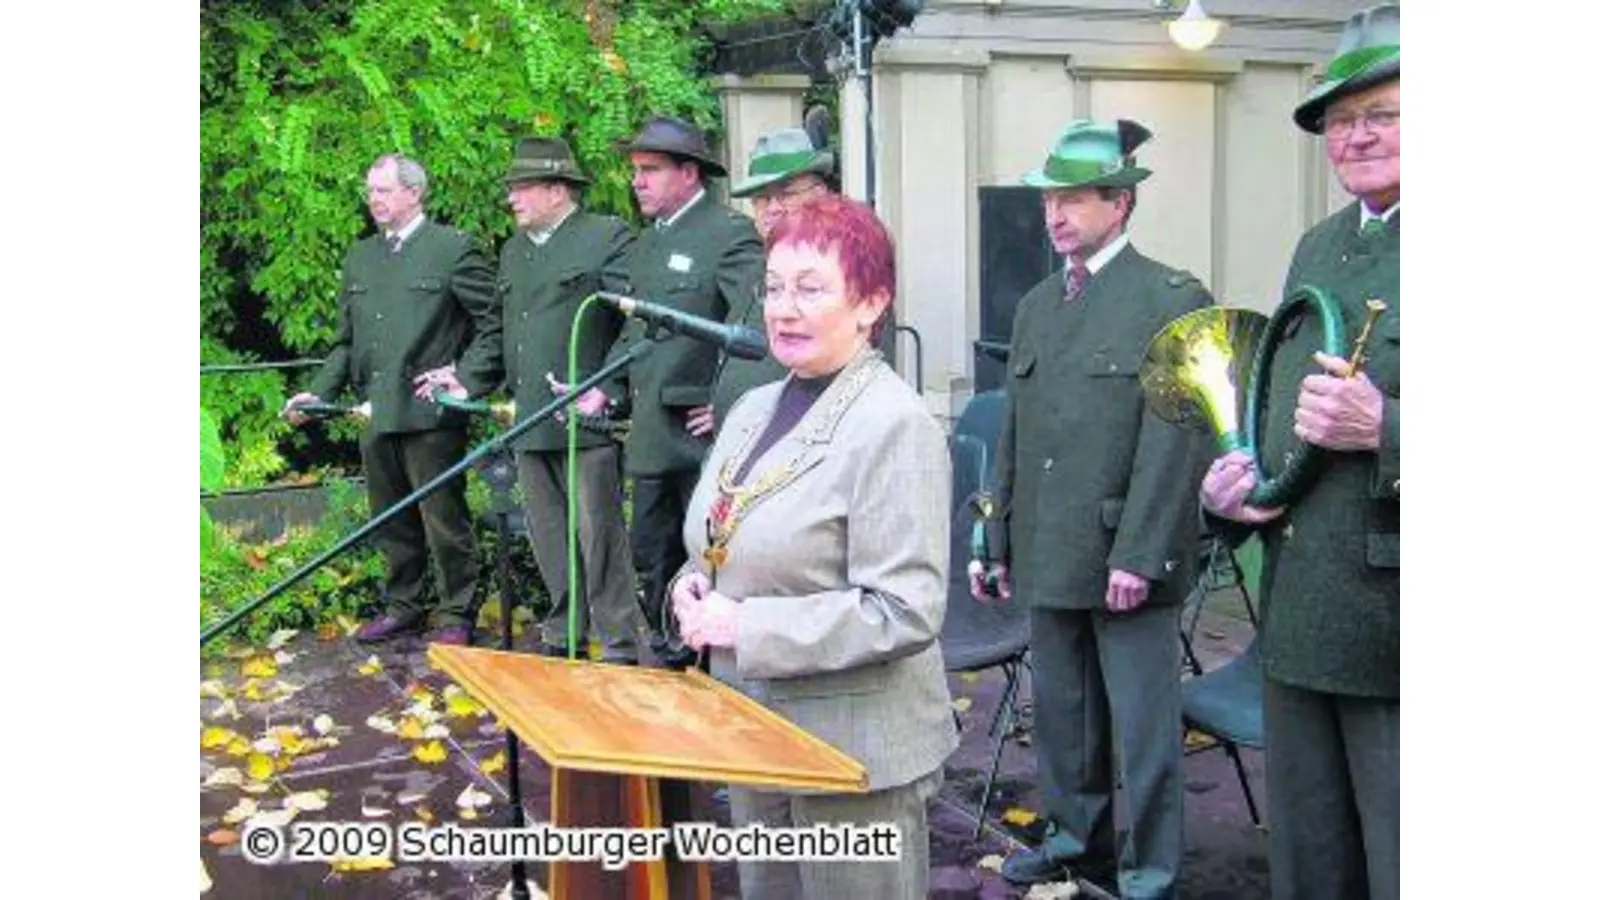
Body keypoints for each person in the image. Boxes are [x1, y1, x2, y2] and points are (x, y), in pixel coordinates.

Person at [670, 194, 957, 899]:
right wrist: (690, 582)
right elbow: (723, 535)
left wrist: (744, 626)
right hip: (755, 724)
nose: (783, 308)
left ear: (870, 303)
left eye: (809, 289)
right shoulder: (752, 408)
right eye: (772, 288)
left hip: (853, 749)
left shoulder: (894, 423)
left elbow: (905, 609)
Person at [971, 119, 1213, 898]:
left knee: (1143, 729)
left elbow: (1176, 439)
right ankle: (1076, 842)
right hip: (1050, 544)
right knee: (1065, 715)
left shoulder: (1169, 297)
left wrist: (1141, 552)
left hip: (1123, 552)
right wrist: (994, 531)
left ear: (1121, 203)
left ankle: (1148, 873)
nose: (1055, 214)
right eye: (1049, 199)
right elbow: (1015, 428)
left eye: (1074, 197)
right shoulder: (1039, 304)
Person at [1199, 6, 1400, 899]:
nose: (1354, 136)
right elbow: (1290, 402)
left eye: (1381, 114)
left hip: (1399, 624)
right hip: (1299, 608)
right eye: (1340, 121)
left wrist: (1390, 427)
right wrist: (1246, 487)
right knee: (1311, 859)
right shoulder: (1320, 244)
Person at [415, 136, 646, 663]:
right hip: (529, 421)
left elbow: (635, 324)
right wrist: (466, 380)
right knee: (547, 535)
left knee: (599, 534)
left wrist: (605, 388)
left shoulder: (606, 237)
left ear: (558, 190)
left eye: (521, 188)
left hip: (585, 420)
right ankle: (564, 630)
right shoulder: (513, 252)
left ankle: (618, 639)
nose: (511, 199)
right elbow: (497, 331)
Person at [557, 115, 764, 669]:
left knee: (707, 557)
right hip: (650, 435)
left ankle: (704, 667)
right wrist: (603, 389)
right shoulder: (649, 243)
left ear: (689, 173)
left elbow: (755, 329)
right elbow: (636, 332)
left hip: (698, 440)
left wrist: (728, 406)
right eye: (635, 172)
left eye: (650, 170)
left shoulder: (728, 233)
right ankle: (675, 660)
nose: (637, 182)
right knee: (653, 553)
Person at [284, 153, 500, 646]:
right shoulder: (361, 257)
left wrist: (465, 378)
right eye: (370, 190)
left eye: (383, 190)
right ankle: (404, 605)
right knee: (391, 517)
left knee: (443, 518)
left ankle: (455, 614)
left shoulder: (452, 249)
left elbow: (494, 322)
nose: (373, 199)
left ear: (414, 193)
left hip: (430, 411)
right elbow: (346, 341)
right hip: (374, 411)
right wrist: (318, 395)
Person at [709, 126, 836, 430]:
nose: (773, 209)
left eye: (787, 194)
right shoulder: (756, 269)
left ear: (821, 196)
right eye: (762, 198)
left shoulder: (842, 272)